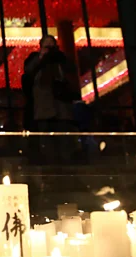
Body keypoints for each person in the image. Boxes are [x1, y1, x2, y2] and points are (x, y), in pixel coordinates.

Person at [23, 35, 80, 163]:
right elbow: (28, 73)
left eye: (52, 47)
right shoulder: (35, 60)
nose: (50, 50)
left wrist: (59, 56)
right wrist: (41, 57)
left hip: (62, 110)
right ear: (40, 47)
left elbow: (71, 71)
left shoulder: (61, 60)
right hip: (44, 110)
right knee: (47, 148)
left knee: (65, 146)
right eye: (46, 47)